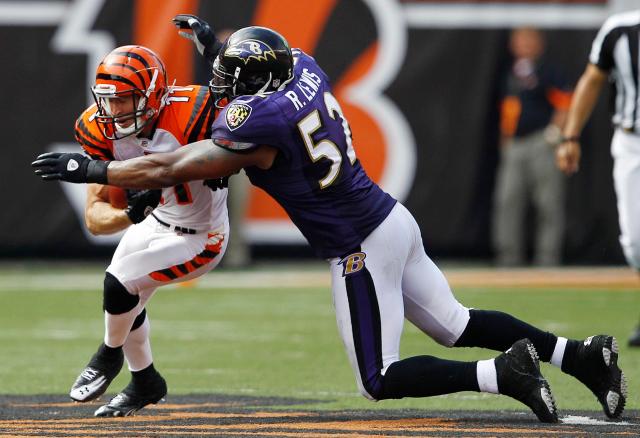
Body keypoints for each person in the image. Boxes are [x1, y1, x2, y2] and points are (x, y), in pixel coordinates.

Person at [34, 21, 627, 422]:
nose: (221, 87)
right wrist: (220, 48)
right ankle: (580, 356)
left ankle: (505, 374)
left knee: (379, 376)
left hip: (357, 245)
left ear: (252, 87)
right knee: (456, 321)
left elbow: (173, 165)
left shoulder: (256, 126)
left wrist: (91, 168)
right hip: (391, 216)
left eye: (231, 80)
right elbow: (258, 66)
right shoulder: (304, 67)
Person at [67, 44, 229, 417]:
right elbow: (95, 218)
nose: (116, 110)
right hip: (155, 221)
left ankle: (108, 356)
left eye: (125, 99)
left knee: (119, 282)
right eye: (109, 100)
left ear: (154, 93)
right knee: (125, 298)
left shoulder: (193, 110)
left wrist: (218, 54)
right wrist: (130, 214)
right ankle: (145, 381)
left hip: (202, 236)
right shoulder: (97, 128)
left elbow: (248, 112)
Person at [556, 10, 640, 347]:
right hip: (632, 141)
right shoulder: (619, 30)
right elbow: (592, 79)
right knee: (635, 242)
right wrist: (570, 136)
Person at [493, 27, 572, 267]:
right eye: (520, 40)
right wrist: (505, 137)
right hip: (515, 145)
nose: (525, 45)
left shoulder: (548, 71)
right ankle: (508, 258)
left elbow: (566, 103)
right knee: (507, 200)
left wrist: (555, 131)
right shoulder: (510, 73)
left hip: (541, 142)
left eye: (529, 40)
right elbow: (509, 108)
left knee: (548, 202)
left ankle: (547, 260)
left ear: (540, 43)